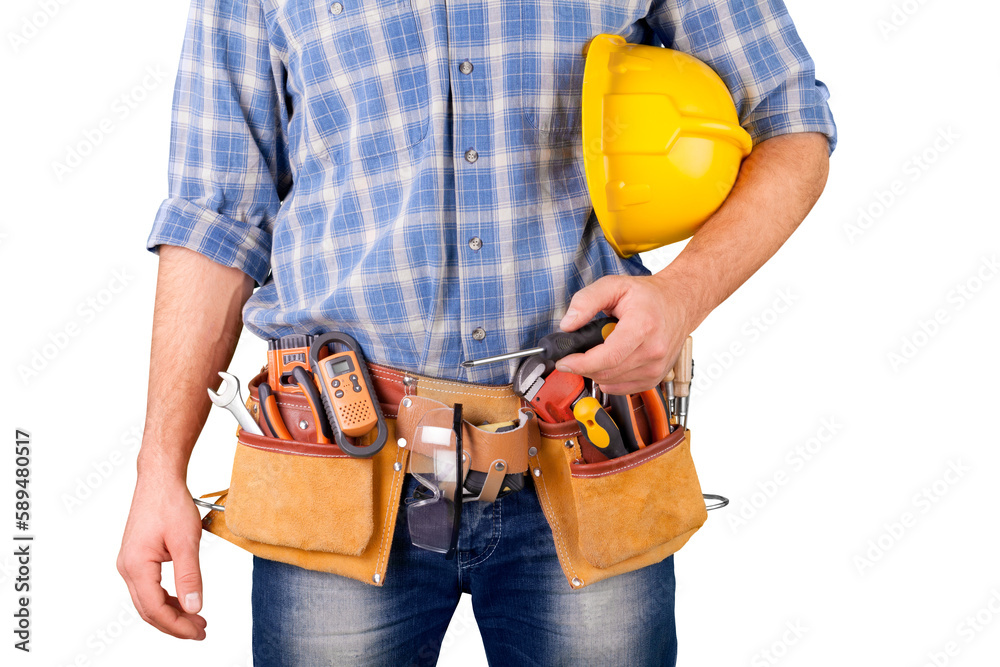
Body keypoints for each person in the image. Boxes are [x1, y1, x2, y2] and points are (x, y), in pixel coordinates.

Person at [117, 0, 836, 664]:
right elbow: (216, 219)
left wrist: (682, 296)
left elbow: (787, 117)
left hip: (584, 452)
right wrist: (159, 467)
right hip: (334, 470)